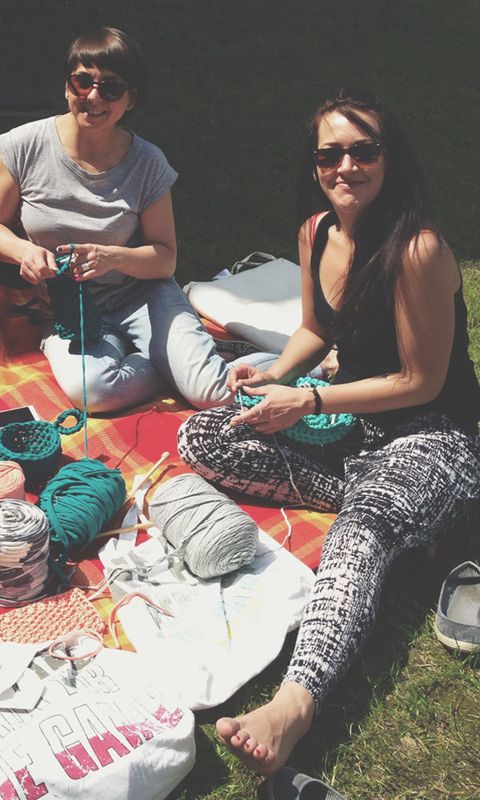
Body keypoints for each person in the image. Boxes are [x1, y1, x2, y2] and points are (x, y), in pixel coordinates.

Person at [178, 88, 480, 774]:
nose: (346, 166)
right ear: (314, 165)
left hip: (434, 434)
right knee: (205, 436)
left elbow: (420, 382)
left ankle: (294, 704)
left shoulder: (418, 249)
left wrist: (308, 403)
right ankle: (395, 519)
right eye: (330, 154)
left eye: (363, 150)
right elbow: (316, 329)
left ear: (389, 157)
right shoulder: (317, 232)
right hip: (356, 433)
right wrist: (271, 378)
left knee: (360, 528)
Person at [0, 27, 271, 413]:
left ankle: (304, 363)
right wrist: (23, 252)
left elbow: (165, 259)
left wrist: (112, 257)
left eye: (110, 88)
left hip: (140, 296)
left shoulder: (147, 163)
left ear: (131, 99)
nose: (92, 97)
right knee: (95, 393)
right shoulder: (23, 145)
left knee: (211, 394)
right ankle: (172, 361)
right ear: (67, 87)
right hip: (69, 309)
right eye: (82, 82)